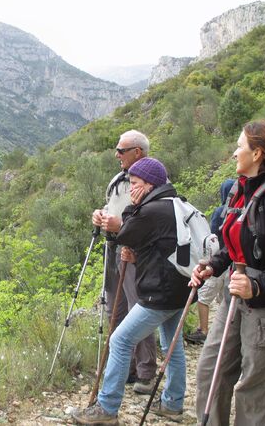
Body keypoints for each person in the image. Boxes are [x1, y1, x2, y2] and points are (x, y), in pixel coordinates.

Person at [191, 120, 265, 425]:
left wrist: (257, 285)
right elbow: (237, 244)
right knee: (210, 372)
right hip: (235, 292)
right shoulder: (241, 191)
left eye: (240, 146)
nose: (234, 153)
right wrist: (212, 266)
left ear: (257, 154)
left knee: (254, 389)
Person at [75, 157, 191, 424]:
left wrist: (130, 208)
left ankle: (106, 408)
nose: (132, 189)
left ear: (149, 184)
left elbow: (125, 233)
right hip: (180, 288)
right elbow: (158, 245)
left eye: (136, 184)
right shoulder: (176, 203)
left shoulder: (151, 210)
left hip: (158, 292)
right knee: (171, 346)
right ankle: (173, 403)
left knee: (121, 340)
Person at [90, 130, 158, 393]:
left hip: (135, 251)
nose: (116, 154)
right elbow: (113, 208)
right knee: (114, 308)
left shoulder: (151, 180)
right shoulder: (119, 180)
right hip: (113, 248)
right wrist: (101, 214)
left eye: (122, 150)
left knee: (137, 309)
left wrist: (122, 227)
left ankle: (145, 372)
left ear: (137, 152)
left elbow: (152, 218)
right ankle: (125, 367)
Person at [184, 178, 234, 345]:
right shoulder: (240, 211)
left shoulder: (221, 211)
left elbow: (211, 237)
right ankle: (227, 332)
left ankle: (203, 331)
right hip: (232, 262)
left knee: (204, 298)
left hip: (217, 261)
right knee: (224, 299)